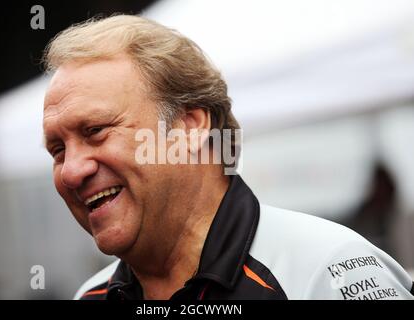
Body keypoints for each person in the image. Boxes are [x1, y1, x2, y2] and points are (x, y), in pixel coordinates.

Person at [42, 14, 414, 300]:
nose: (72, 172)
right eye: (57, 150)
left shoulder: (329, 272)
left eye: (96, 131)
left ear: (188, 128)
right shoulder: (91, 295)